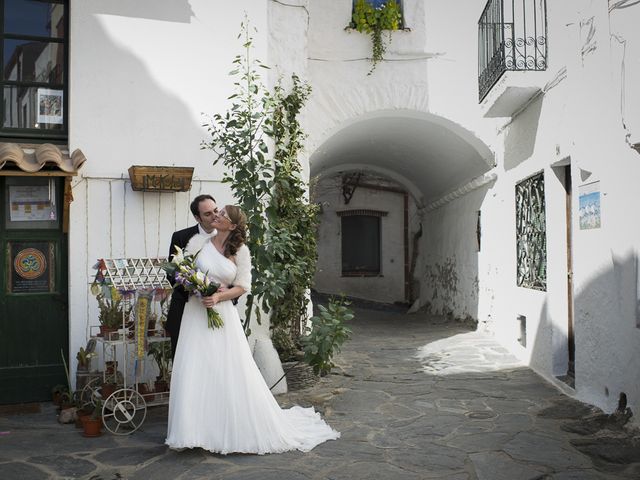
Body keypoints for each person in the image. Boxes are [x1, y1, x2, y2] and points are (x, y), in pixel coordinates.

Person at [166, 205, 340, 454]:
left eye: (222, 214)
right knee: (195, 366)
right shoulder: (197, 243)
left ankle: (226, 428)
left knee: (225, 369)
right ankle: (192, 431)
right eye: (216, 212)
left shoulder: (241, 251)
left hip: (221, 314)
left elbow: (242, 286)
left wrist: (217, 298)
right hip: (195, 313)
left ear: (233, 225)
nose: (217, 215)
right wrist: (196, 288)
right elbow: (185, 273)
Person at [165, 194, 218, 359]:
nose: (215, 215)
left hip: (219, 307)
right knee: (185, 360)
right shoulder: (181, 237)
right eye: (208, 213)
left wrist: (219, 295)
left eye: (216, 210)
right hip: (185, 308)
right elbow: (172, 273)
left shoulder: (228, 237)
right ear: (197, 217)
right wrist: (195, 287)